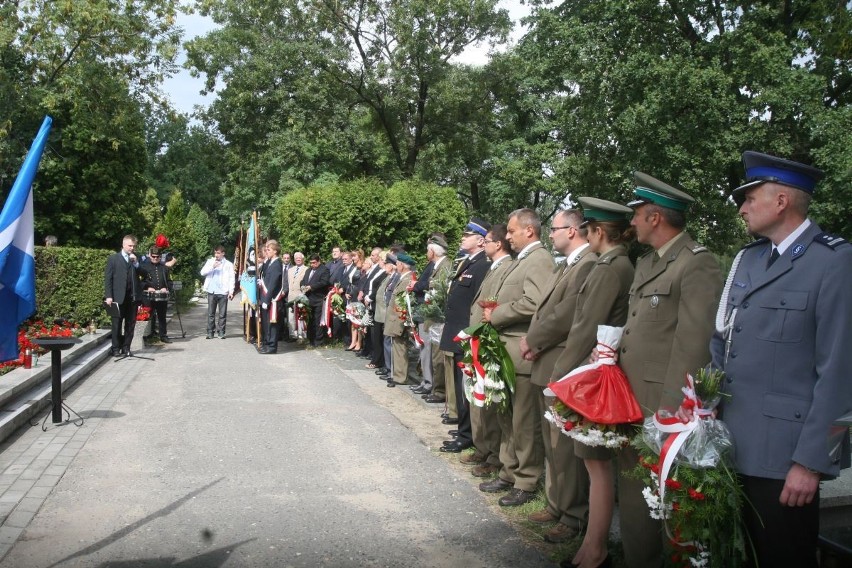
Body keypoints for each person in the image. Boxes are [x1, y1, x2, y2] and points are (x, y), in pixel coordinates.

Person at [709, 152, 852, 568]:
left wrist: (813, 462)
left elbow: (841, 375)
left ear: (782, 200)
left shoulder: (834, 262)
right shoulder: (749, 258)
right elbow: (722, 340)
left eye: (750, 197)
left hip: (785, 459)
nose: (742, 207)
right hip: (729, 444)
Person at [616, 172, 723, 568]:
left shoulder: (696, 264)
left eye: (637, 215)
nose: (632, 223)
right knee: (633, 491)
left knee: (664, 496)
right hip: (631, 395)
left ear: (655, 217)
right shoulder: (647, 262)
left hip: (663, 405)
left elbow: (694, 344)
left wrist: (671, 409)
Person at [553, 198, 635, 568]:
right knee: (595, 462)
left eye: (589, 228)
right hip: (602, 370)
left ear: (599, 232)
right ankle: (591, 546)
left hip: (596, 376)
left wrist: (560, 375)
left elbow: (586, 325)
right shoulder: (618, 264)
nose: (585, 233)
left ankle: (594, 549)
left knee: (596, 463)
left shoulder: (608, 268)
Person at [520, 208, 597, 543]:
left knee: (566, 445)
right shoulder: (567, 264)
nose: (549, 234)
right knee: (553, 443)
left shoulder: (588, 264)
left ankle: (574, 514)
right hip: (546, 359)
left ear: (573, 230)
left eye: (554, 228)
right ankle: (556, 503)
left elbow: (566, 314)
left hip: (563, 362)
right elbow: (547, 309)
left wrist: (533, 340)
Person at [479, 208, 554, 507]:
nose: (507, 237)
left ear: (529, 231)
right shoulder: (522, 260)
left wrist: (498, 314)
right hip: (505, 351)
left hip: (520, 353)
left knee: (524, 422)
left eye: (511, 231)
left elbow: (535, 303)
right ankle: (509, 472)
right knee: (508, 418)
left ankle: (526, 479)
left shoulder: (539, 260)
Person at [438, 218, 491, 453]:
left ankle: (466, 434)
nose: (462, 237)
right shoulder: (468, 263)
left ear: (480, 240)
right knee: (461, 386)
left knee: (466, 387)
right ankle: (463, 428)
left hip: (466, 335)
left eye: (467, 235)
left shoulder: (482, 265)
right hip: (457, 333)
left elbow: (477, 303)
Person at [465, 224, 513, 476]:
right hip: (480, 341)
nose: (484, 244)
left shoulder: (505, 267)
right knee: (481, 399)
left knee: (492, 405)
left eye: (488, 240)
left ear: (498, 244)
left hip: (491, 341)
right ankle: (485, 450)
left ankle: (494, 456)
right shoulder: (494, 267)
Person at [104, 235, 143, 356]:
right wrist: (109, 296)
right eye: (130, 245)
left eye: (134, 246)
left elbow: (144, 273)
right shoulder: (114, 258)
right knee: (117, 323)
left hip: (133, 297)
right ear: (124, 244)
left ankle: (126, 347)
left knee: (130, 324)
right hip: (118, 297)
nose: (132, 248)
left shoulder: (136, 259)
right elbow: (108, 279)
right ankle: (115, 348)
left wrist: (136, 263)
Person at [384, 253, 418, 387]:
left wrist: (399, 323)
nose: (396, 265)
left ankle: (400, 376)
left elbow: (402, 304)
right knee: (397, 347)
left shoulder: (406, 279)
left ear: (402, 265)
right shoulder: (403, 278)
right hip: (395, 318)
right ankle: (397, 374)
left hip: (398, 319)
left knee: (400, 348)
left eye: (397, 263)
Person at [200, 245, 235, 340]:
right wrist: (212, 267)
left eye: (218, 253)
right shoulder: (210, 262)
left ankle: (221, 332)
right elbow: (202, 272)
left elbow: (232, 278)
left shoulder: (228, 264)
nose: (216, 255)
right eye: (215, 253)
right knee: (211, 313)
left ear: (223, 253)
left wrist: (231, 291)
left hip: (223, 292)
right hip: (212, 291)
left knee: (222, 314)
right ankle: (210, 332)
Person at [139, 245, 172, 343]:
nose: (155, 258)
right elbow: (139, 281)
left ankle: (163, 335)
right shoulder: (144, 267)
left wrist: (166, 288)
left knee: (162, 316)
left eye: (157, 257)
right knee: (146, 315)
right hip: (148, 296)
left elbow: (169, 281)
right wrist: (147, 287)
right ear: (149, 255)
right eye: (153, 256)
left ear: (160, 256)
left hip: (161, 296)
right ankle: (146, 335)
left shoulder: (164, 267)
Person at [258, 240, 286, 354]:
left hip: (272, 299)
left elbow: (273, 283)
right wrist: (264, 261)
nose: (266, 252)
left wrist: (267, 299)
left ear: (275, 251)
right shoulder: (269, 262)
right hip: (266, 298)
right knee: (266, 323)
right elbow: (265, 275)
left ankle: (272, 346)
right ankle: (266, 343)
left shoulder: (277, 264)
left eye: (268, 250)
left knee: (272, 324)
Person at [301, 254, 331, 347]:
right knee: (309, 320)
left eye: (314, 263)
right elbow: (303, 280)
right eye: (310, 263)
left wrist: (311, 287)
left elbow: (324, 282)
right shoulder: (308, 270)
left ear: (319, 261)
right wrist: (302, 285)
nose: (312, 265)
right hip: (308, 298)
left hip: (318, 298)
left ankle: (318, 341)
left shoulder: (324, 270)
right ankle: (310, 339)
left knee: (318, 320)